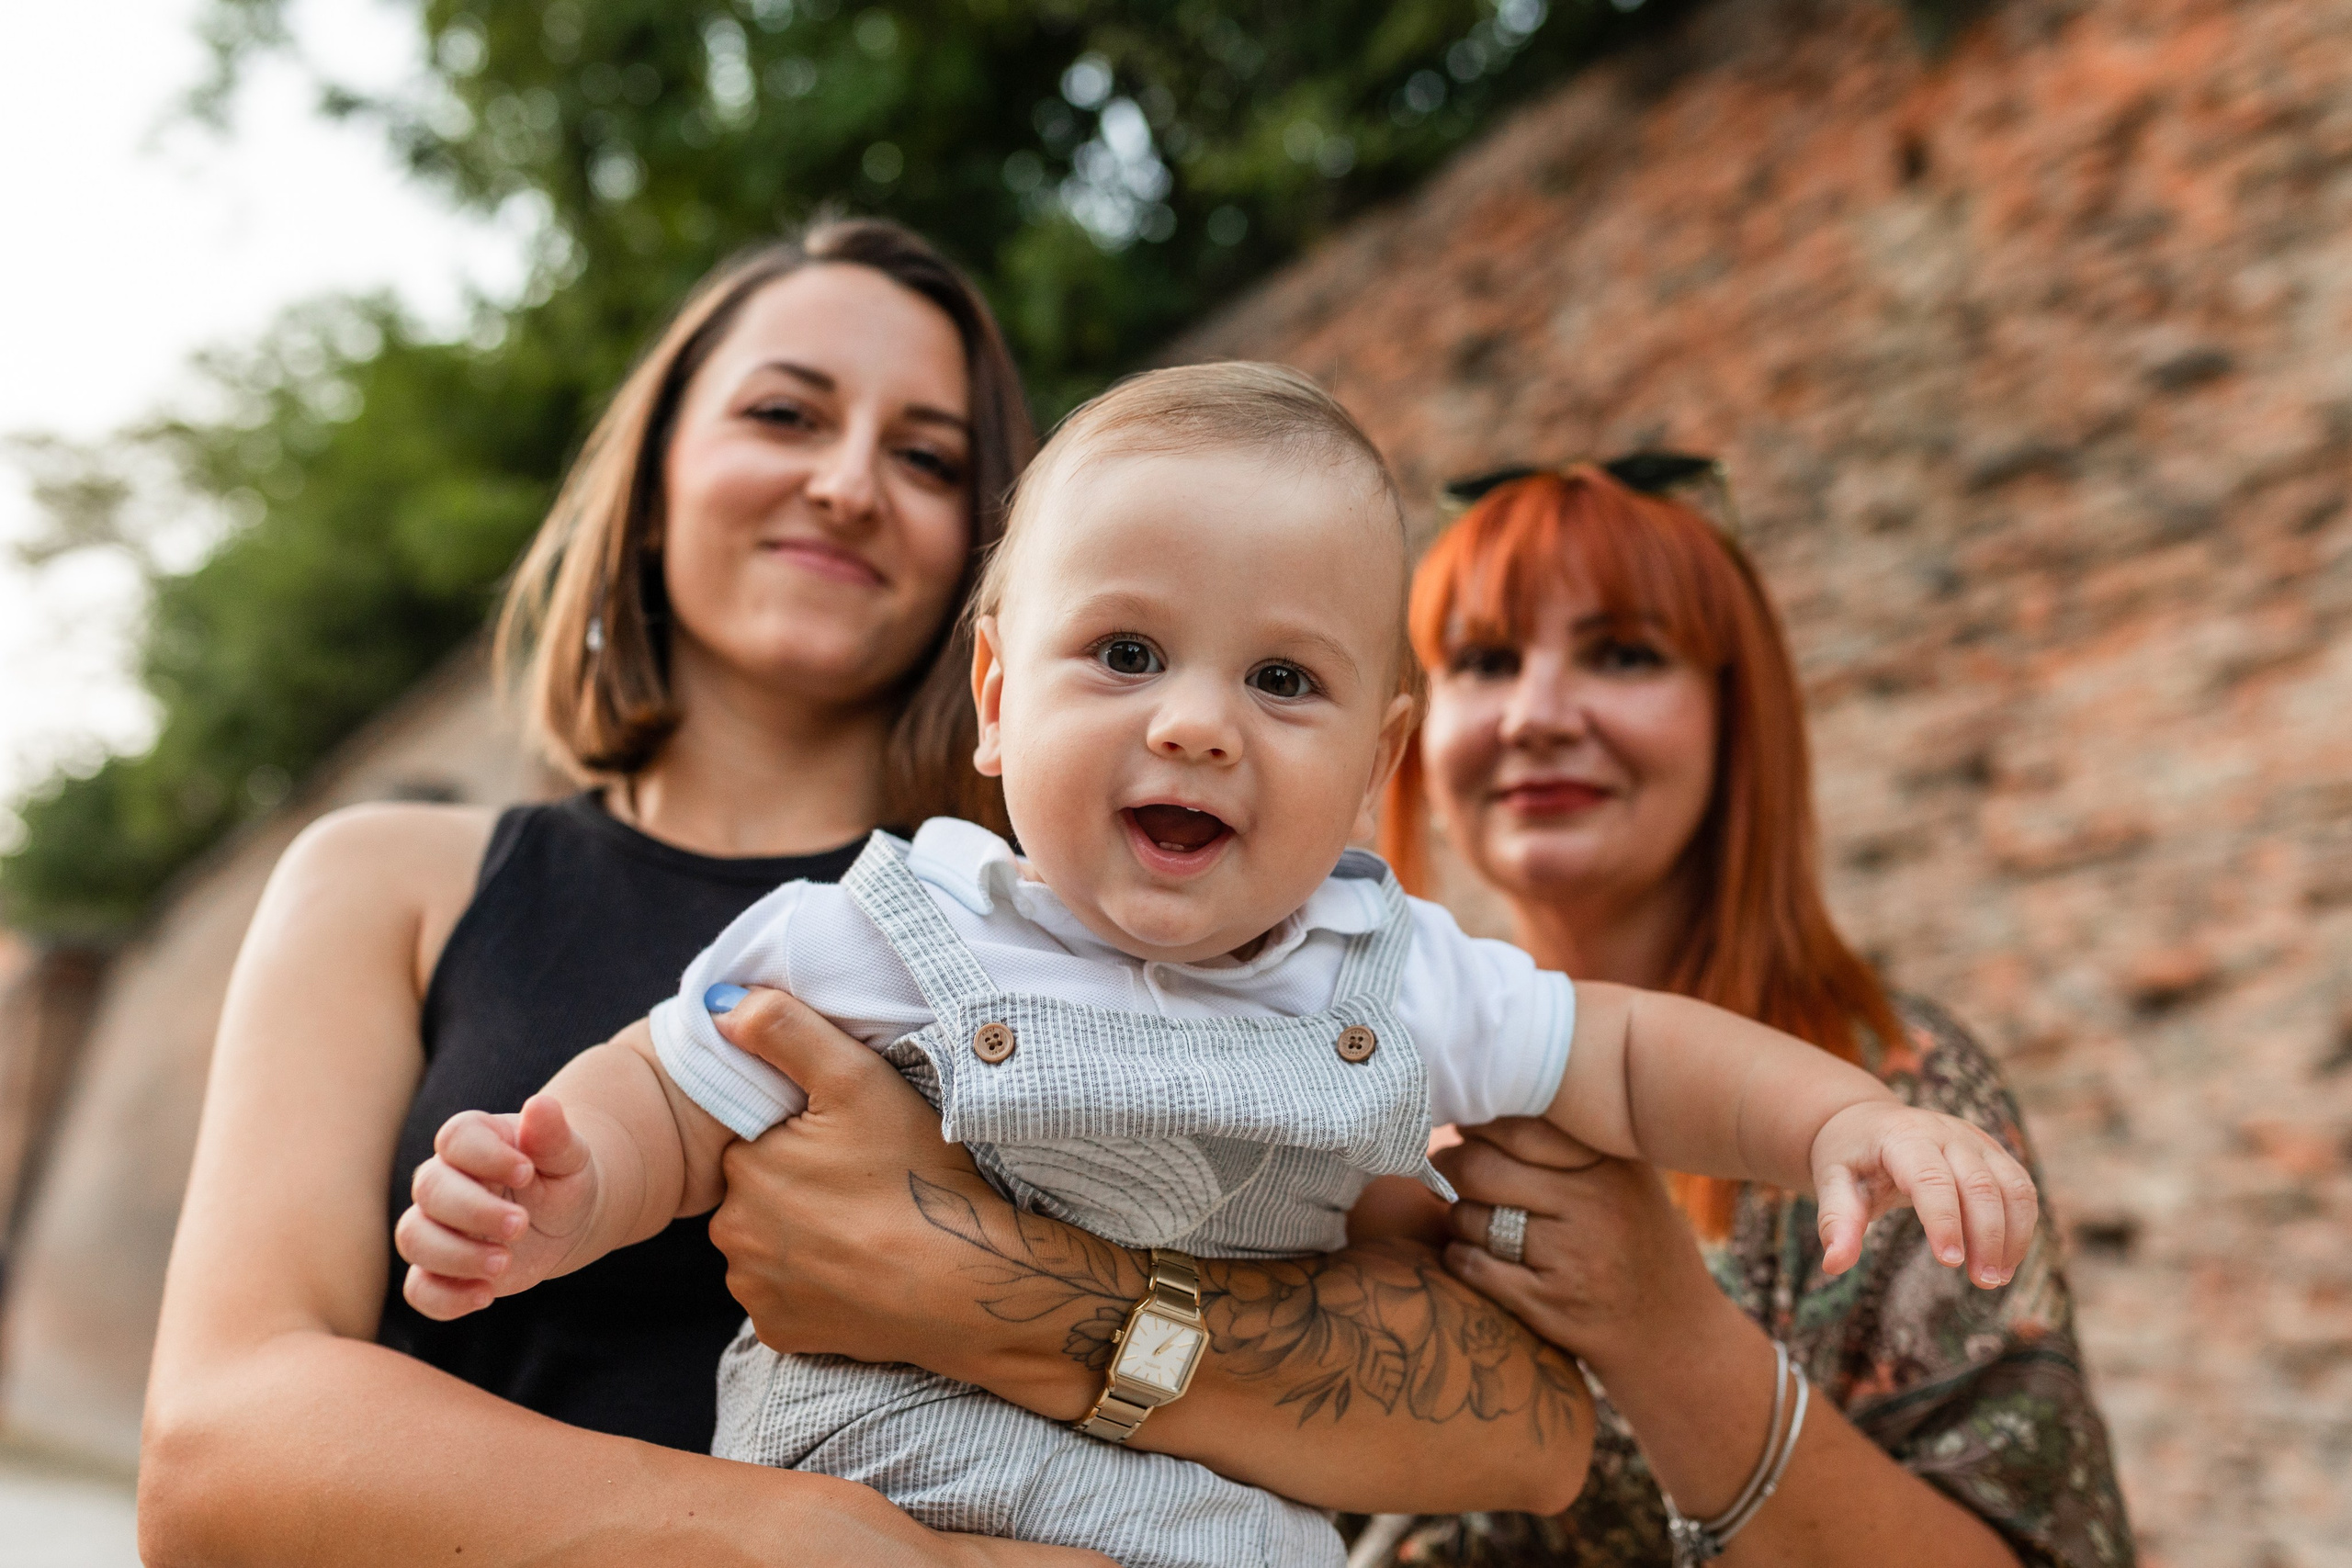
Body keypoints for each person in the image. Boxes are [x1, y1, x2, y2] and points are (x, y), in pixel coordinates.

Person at [395, 368, 2037, 1568]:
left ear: (1370, 761)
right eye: (1123, 653)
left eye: (1281, 678)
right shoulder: (890, 927)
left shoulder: (1392, 979)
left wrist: (1835, 1121)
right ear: (993, 691)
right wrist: (553, 1186)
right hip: (874, 1492)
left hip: (1206, 1531)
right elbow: (675, 1090)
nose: (1195, 718)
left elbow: (1625, 1056)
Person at [137, 224, 1581, 1568]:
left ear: (992, 560)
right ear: (650, 482)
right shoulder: (394, 880)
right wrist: (797, 1538)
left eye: (930, 455)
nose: (845, 480)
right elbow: (215, 1451)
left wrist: (986, 1279)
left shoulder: (1133, 914)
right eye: (785, 414)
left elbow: (1518, 1422)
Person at [1353, 463, 2136, 1566]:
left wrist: (1665, 1332)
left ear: (1735, 717)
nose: (1536, 715)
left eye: (1623, 654)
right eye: (1484, 662)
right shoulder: (1356, 1067)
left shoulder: (1891, 1097)